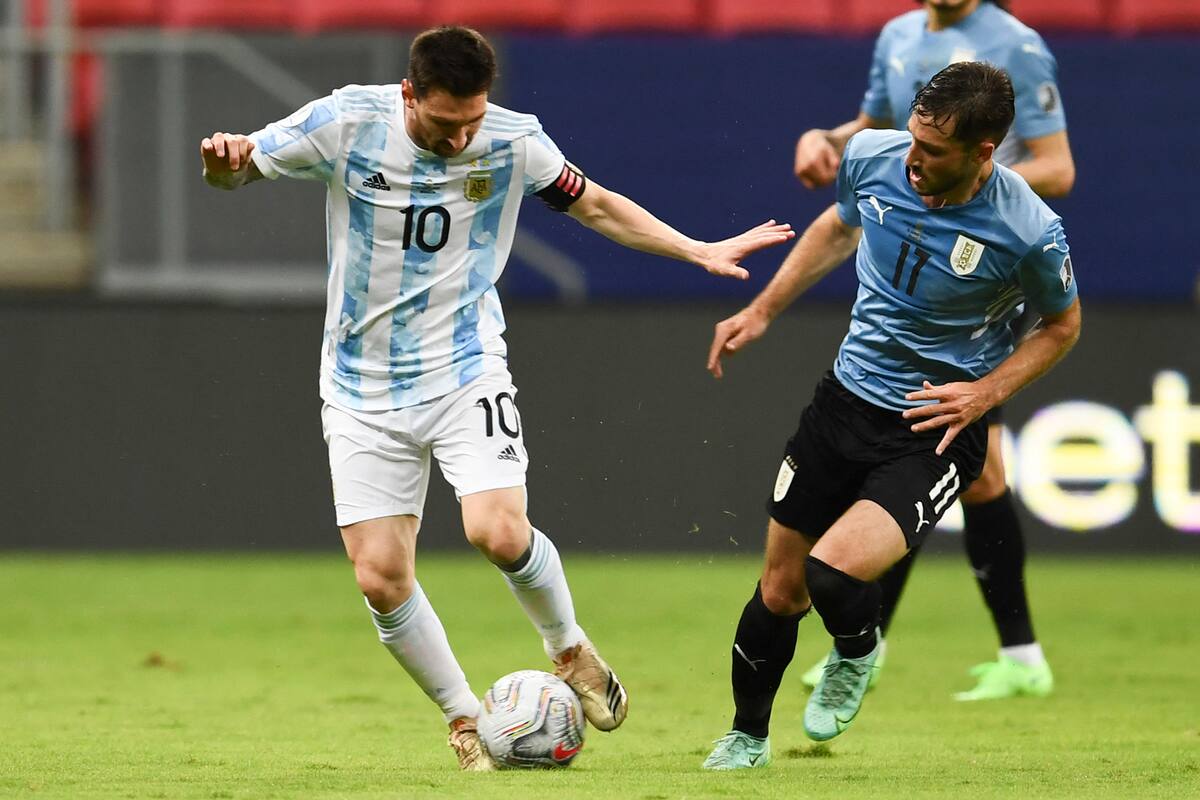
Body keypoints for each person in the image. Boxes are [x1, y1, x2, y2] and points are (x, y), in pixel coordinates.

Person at [199, 25, 794, 771]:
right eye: (446, 125)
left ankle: (570, 649)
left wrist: (695, 248)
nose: (460, 140)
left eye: (472, 121)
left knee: (497, 531)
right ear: (409, 95)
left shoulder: (514, 141)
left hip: (464, 367)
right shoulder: (345, 122)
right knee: (380, 577)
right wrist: (224, 164)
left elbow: (599, 206)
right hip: (359, 386)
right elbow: (241, 169)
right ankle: (463, 719)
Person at [701, 62, 1081, 770]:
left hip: (934, 428)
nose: (913, 158)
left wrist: (985, 394)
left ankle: (859, 647)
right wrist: (761, 310)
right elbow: (835, 229)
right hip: (843, 403)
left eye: (934, 151)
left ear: (983, 154)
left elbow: (1062, 327)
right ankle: (746, 737)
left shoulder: (1027, 229)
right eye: (912, 138)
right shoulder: (872, 157)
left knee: (835, 578)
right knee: (780, 589)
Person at [792, 0, 1075, 702]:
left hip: (975, 279)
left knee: (940, 456)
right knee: (970, 474)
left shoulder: (1018, 46)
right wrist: (828, 137)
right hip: (923, 263)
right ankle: (1015, 653)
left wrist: (977, 198)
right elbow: (882, 130)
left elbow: (1058, 168)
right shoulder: (897, 35)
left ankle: (892, 645)